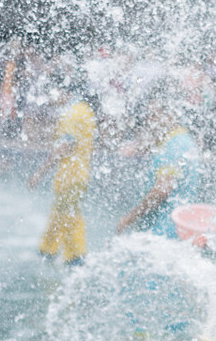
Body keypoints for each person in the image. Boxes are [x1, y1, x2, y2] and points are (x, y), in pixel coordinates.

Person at [113, 89, 203, 238]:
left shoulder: (174, 145)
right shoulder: (183, 140)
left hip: (165, 231)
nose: (150, 120)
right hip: (181, 228)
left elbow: (161, 190)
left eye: (155, 115)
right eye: (149, 115)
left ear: (171, 114)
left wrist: (129, 218)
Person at [29, 93, 97, 264]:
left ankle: (76, 256)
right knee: (60, 213)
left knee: (69, 215)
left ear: (64, 90)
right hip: (80, 174)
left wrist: (39, 172)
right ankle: (47, 250)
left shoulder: (72, 114)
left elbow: (65, 146)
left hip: (70, 176)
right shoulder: (86, 110)